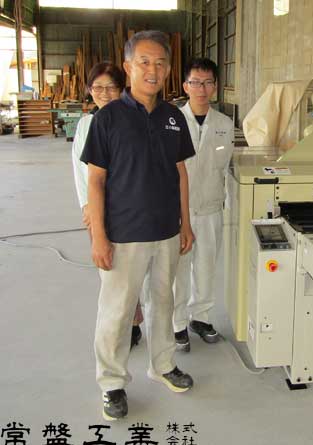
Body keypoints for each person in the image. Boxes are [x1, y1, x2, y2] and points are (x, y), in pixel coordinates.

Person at [81, 30, 195, 421]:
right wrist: (99, 236)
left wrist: (186, 223)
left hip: (166, 231)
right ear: (128, 66)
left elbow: (180, 173)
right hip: (124, 234)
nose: (153, 69)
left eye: (161, 62)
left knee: (163, 302)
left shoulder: (173, 117)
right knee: (117, 310)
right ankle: (112, 383)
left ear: (168, 69)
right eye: (144, 61)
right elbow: (96, 180)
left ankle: (163, 365)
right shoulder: (108, 118)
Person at [71, 62, 144, 349]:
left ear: (122, 89)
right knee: (110, 271)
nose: (104, 93)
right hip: (98, 209)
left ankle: (133, 323)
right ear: (89, 90)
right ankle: (121, 325)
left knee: (132, 270)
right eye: (97, 87)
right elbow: (81, 172)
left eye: (111, 87)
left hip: (128, 209)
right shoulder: (85, 124)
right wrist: (87, 207)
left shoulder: (133, 121)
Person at [172, 58, 234, 352]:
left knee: (206, 268)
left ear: (215, 87)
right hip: (177, 212)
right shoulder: (171, 122)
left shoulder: (224, 124)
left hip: (211, 209)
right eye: (195, 82)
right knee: (178, 271)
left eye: (208, 82)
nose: (202, 88)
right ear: (185, 86)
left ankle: (201, 318)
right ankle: (177, 324)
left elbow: (225, 167)